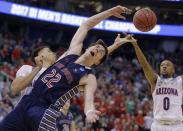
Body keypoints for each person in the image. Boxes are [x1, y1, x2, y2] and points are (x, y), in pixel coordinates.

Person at [0, 5, 134, 131]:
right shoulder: (70, 54)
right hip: (26, 103)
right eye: (97, 46)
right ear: (88, 47)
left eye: (101, 52)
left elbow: (89, 98)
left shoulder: (88, 76)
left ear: (97, 62)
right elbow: (86, 25)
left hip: (45, 109)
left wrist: (89, 111)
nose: (98, 49)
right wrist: (110, 12)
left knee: (61, 122)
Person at [127, 36, 183, 131]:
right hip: (158, 125)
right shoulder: (155, 80)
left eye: (167, 65)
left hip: (176, 126)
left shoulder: (179, 81)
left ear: (173, 70)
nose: (164, 66)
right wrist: (135, 45)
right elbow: (144, 65)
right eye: (162, 65)